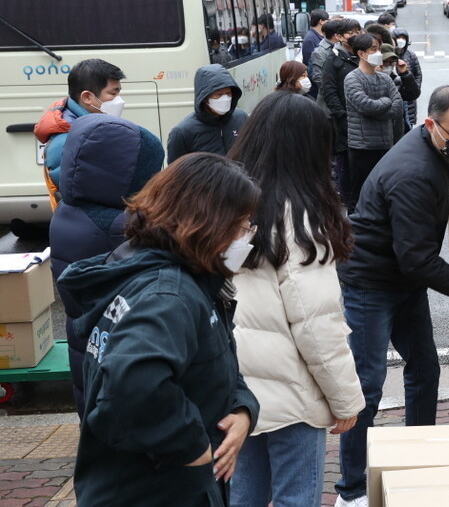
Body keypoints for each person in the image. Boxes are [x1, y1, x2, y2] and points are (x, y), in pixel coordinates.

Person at [334, 85, 449, 507]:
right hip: (371, 284)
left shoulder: (433, 150)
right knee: (368, 386)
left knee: (425, 367)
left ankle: (420, 454)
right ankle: (351, 489)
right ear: (430, 123)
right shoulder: (413, 171)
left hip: (402, 281)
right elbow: (415, 258)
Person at [57, 153, 261, 506]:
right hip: (153, 490)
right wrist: (193, 446)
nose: (245, 239)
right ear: (208, 222)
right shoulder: (169, 294)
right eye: (242, 227)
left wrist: (244, 410)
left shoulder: (180, 278)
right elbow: (132, 383)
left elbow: (215, 362)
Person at [227, 92, 364, 507]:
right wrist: (345, 400)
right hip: (290, 391)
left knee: (242, 496)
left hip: (234, 383)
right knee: (296, 499)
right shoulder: (299, 217)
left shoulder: (227, 202)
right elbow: (315, 322)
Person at [48, 114, 164, 414]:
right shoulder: (116, 226)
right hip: (118, 362)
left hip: (89, 350)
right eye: (148, 172)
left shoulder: (70, 206)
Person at [33, 58, 126, 192]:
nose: (119, 100)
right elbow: (79, 193)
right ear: (87, 97)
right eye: (113, 93)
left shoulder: (89, 127)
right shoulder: (67, 139)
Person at [343, 34, 403, 212]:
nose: (378, 53)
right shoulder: (352, 79)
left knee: (383, 193)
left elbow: (398, 106)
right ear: (362, 54)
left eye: (378, 48)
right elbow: (365, 106)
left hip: (385, 144)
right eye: (374, 49)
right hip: (362, 146)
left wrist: (378, 109)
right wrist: (386, 102)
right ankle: (353, 233)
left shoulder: (384, 78)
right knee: (359, 193)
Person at [319, 19, 364, 201]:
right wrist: (342, 116)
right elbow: (329, 92)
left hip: (363, 123)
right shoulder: (333, 59)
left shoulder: (360, 57)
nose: (355, 36)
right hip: (344, 124)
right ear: (338, 37)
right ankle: (347, 199)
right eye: (350, 32)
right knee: (345, 162)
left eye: (357, 31)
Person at [167, 64, 249, 163]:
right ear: (205, 98)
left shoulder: (241, 118)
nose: (225, 98)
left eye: (228, 93)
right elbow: (176, 173)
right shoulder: (182, 133)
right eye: (218, 95)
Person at [391, 28, 424, 127]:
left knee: (408, 124)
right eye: (398, 38)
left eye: (403, 38)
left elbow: (418, 74)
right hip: (395, 96)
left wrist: (415, 87)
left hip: (409, 98)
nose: (401, 40)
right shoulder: (390, 55)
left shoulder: (411, 55)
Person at [308, 18, 342, 101]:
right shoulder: (320, 52)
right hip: (328, 99)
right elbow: (317, 77)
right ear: (336, 36)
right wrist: (333, 90)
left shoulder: (341, 47)